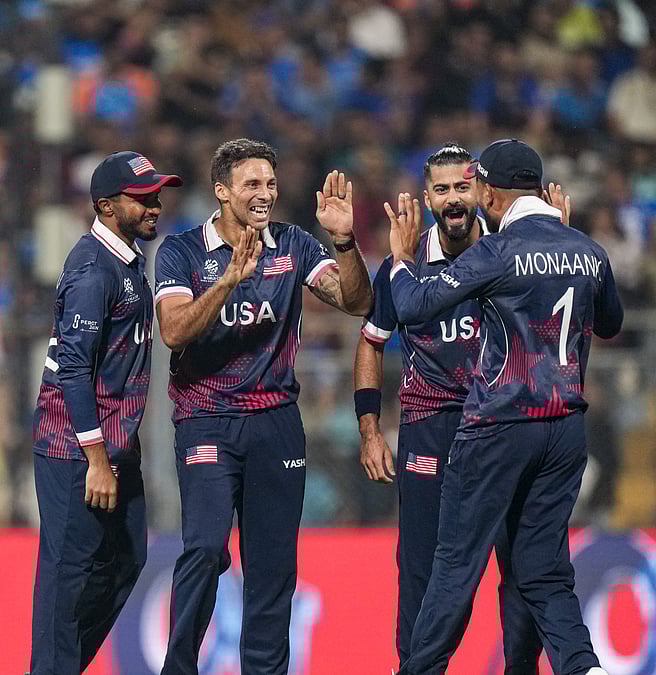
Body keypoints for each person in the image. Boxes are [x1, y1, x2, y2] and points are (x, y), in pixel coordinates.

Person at [386, 139, 621, 675]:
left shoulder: (496, 251)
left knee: (455, 564)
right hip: (564, 429)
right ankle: (583, 666)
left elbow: (412, 304)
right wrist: (565, 248)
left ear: (488, 190)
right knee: (544, 570)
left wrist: (401, 261)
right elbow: (609, 324)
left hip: (499, 424)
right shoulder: (589, 249)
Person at [154, 138, 373, 675]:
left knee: (273, 571)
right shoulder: (182, 251)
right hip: (207, 421)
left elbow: (355, 302)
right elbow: (173, 330)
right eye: (252, 184)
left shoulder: (293, 245)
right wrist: (227, 280)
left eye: (271, 184)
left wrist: (344, 242)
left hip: (275, 424)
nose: (265, 194)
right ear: (222, 190)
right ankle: (178, 667)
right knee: (204, 551)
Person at [355, 143, 550, 671]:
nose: (454, 199)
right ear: (428, 197)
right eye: (442, 190)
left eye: (462, 187)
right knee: (419, 564)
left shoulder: (515, 254)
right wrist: (370, 431)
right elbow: (371, 341)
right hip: (429, 429)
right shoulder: (406, 261)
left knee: (520, 564)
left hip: (502, 423)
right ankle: (414, 667)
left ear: (482, 191)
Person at [29, 151, 181, 674]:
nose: (155, 205)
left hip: (115, 444)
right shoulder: (94, 269)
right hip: (74, 447)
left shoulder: (126, 259)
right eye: (142, 198)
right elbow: (72, 368)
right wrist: (94, 456)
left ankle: (60, 665)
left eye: (156, 195)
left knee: (126, 561)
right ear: (106, 206)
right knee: (67, 576)